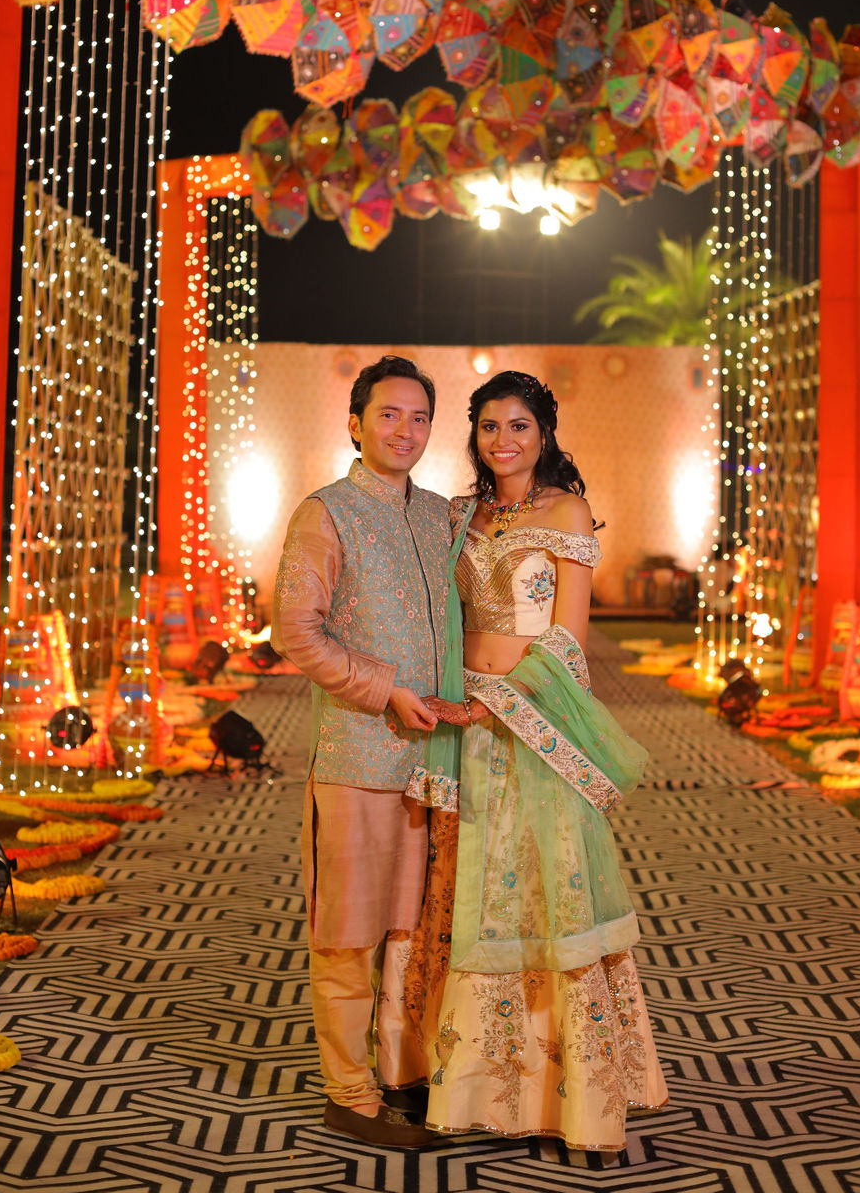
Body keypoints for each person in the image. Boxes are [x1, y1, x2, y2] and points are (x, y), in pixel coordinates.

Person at [380, 370, 667, 1155]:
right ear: (473, 437)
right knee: (456, 892)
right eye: (489, 428)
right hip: (458, 721)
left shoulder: (566, 511)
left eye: (519, 427)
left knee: (546, 897)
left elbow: (569, 641)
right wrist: (448, 699)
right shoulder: (462, 514)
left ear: (545, 434)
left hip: (529, 724)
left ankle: (574, 1101)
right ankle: (467, 1085)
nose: (503, 441)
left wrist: (501, 705)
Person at [270, 355, 451, 1148]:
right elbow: (296, 631)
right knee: (349, 935)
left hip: (437, 766)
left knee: (415, 936)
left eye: (418, 418)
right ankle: (348, 1094)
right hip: (357, 759)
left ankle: (402, 1077)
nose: (404, 430)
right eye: (388, 415)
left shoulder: (443, 515)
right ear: (354, 422)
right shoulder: (327, 512)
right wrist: (384, 689)